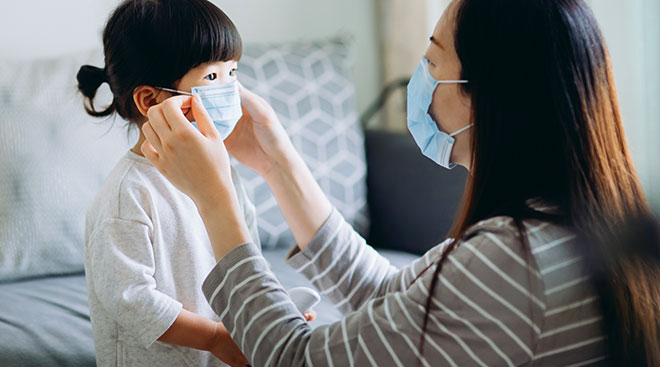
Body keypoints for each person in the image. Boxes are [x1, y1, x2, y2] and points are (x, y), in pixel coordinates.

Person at [140, 0, 660, 365]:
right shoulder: (575, 227)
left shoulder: (513, 265)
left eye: (433, 60)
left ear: (484, 94)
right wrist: (278, 163)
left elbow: (294, 358)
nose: (422, 78)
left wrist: (216, 199)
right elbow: (395, 305)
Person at [76, 0, 270, 366]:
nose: (230, 91)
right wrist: (213, 338)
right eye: (212, 78)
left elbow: (247, 258)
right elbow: (130, 297)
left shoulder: (222, 171)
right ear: (151, 100)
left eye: (233, 73)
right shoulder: (127, 195)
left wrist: (272, 320)